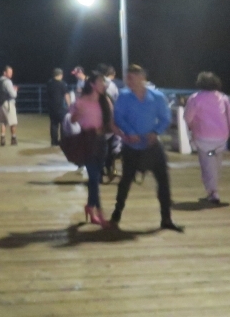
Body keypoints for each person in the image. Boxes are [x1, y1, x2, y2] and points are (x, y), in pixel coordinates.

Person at [111, 64, 182, 232]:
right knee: (125, 181)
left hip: (152, 146)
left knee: (163, 180)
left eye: (131, 77)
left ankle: (166, 218)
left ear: (142, 77)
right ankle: (116, 214)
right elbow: (118, 117)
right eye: (127, 78)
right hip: (131, 146)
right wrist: (130, 132)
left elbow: (165, 118)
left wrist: (156, 132)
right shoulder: (124, 96)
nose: (128, 81)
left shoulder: (157, 96)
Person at [184, 71, 230, 204]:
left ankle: (213, 192)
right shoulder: (223, 98)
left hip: (204, 140)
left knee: (208, 164)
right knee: (216, 163)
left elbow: (188, 117)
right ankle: (212, 190)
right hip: (221, 139)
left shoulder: (195, 98)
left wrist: (192, 128)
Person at [69, 73, 114, 226]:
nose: (104, 84)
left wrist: (123, 134)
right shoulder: (81, 101)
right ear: (93, 84)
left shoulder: (105, 101)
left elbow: (111, 123)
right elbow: (72, 119)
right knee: (94, 178)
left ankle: (89, 206)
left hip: (102, 142)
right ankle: (99, 213)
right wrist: (78, 114)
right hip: (87, 142)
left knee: (95, 178)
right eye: (101, 82)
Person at [0, 66, 18, 146]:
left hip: (0, 104)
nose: (11, 74)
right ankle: (13, 139)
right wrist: (15, 90)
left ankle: (2, 138)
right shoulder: (8, 82)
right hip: (8, 104)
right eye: (9, 72)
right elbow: (13, 95)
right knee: (13, 122)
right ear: (4, 73)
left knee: (3, 122)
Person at [46, 68, 68, 147]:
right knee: (63, 124)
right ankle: (63, 141)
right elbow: (66, 95)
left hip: (51, 107)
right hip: (61, 107)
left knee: (53, 124)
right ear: (60, 75)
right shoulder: (62, 84)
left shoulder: (49, 83)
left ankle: (54, 141)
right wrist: (69, 105)